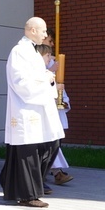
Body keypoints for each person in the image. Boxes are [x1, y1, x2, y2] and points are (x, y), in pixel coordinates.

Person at [0, 17, 64, 208]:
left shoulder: (33, 51)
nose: (45, 35)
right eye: (43, 31)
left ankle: (10, 184)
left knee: (52, 142)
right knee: (29, 150)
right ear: (33, 30)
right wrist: (46, 79)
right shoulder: (20, 51)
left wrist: (48, 79)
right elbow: (21, 82)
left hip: (38, 106)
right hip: (26, 109)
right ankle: (28, 195)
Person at [35, 44, 74, 186]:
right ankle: (54, 173)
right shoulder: (37, 71)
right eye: (47, 55)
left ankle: (53, 173)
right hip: (39, 114)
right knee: (48, 145)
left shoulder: (48, 73)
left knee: (53, 144)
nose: (50, 58)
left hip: (50, 113)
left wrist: (63, 100)